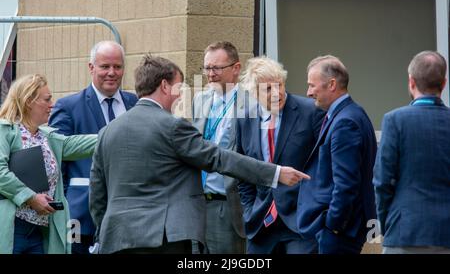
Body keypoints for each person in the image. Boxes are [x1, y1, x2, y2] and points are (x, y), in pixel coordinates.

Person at [89, 54, 309, 254]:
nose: (180, 96)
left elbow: (97, 194)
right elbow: (218, 158)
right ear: (165, 86)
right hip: (164, 240)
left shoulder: (107, 132)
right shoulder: (172, 127)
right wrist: (275, 173)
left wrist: (108, 228)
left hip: (115, 240)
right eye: (179, 88)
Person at [48, 40, 138, 254]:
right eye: (105, 66)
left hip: (130, 216)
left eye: (117, 67)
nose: (112, 73)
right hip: (81, 216)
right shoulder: (69, 107)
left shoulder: (135, 103)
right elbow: (55, 159)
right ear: (91, 68)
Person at [236, 57, 325, 254]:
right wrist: (249, 210)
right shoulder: (244, 120)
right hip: (261, 224)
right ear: (254, 93)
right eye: (268, 89)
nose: (277, 93)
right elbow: (242, 170)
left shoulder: (310, 111)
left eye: (280, 85)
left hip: (300, 222)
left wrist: (316, 208)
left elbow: (324, 163)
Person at [0, 74, 96, 254]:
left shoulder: (46, 137)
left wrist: (114, 131)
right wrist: (31, 198)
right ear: (29, 101)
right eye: (47, 99)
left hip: (38, 231)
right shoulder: (4, 130)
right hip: (13, 228)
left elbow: (82, 143)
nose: (52, 104)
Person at [297, 55, 377, 254]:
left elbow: (346, 183)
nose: (308, 93)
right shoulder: (351, 113)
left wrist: (333, 224)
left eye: (312, 85)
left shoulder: (345, 122)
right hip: (340, 229)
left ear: (332, 84)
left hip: (339, 232)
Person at [373, 51, 450, 254]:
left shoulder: (395, 120)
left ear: (411, 81)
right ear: (444, 84)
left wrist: (387, 222)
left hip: (403, 231)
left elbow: (382, 181)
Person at [191, 41, 246, 254]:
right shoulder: (200, 100)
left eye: (217, 68)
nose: (210, 74)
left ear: (236, 68)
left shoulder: (250, 104)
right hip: (197, 203)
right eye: (207, 68)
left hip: (228, 205)